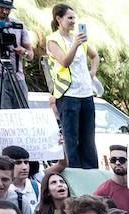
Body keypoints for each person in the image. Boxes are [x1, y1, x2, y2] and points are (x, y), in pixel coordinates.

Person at [45, 4, 98, 169]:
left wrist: (92, 72)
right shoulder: (53, 40)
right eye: (69, 18)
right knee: (71, 138)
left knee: (88, 137)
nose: (73, 21)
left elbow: (95, 56)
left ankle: (91, 172)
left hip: (86, 93)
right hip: (68, 94)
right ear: (58, 19)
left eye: (74, 18)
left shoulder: (79, 38)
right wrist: (75, 44)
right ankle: (73, 171)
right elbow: (64, 61)